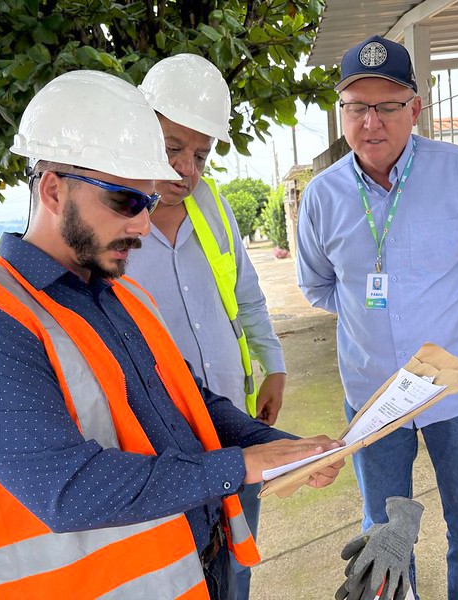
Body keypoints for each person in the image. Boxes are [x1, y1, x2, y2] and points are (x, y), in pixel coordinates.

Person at [0, 70, 344, 600]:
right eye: (124, 202)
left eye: (147, 201)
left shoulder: (123, 297)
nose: (142, 225)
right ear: (52, 190)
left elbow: (191, 404)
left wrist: (276, 445)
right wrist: (241, 464)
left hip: (200, 567)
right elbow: (67, 488)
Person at [295, 35, 458, 599]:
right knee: (382, 533)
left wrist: (453, 322)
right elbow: (319, 287)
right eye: (356, 106)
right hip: (372, 395)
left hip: (457, 393)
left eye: (388, 106)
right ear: (340, 111)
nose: (371, 122)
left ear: (414, 109)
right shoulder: (321, 196)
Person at [128, 54, 285, 600]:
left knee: (238, 562)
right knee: (181, 574)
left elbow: (246, 297)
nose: (186, 169)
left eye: (200, 154)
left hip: (231, 420)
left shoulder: (213, 206)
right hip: (159, 444)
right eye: (172, 148)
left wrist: (274, 367)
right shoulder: (110, 225)